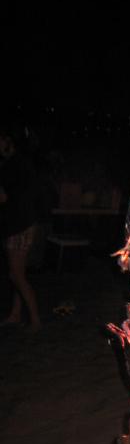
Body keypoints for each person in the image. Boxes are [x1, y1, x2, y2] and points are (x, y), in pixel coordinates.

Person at [0, 126, 41, 331]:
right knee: (17, 273)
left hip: (19, 226)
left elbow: (4, 197)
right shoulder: (20, 163)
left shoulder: (13, 165)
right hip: (23, 223)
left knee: (16, 274)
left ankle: (35, 320)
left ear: (8, 141)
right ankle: (16, 314)